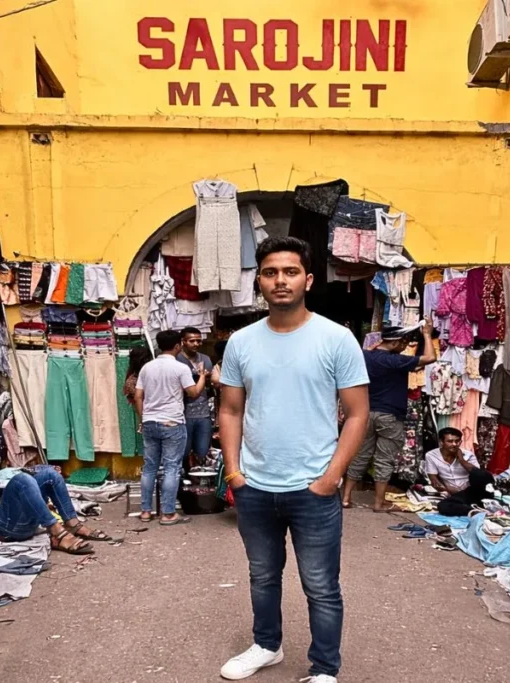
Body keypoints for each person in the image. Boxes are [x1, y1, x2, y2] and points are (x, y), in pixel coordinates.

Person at [218, 236, 369, 683]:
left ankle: (325, 670)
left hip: (313, 489)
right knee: (262, 576)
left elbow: (358, 414)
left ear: (308, 279)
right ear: (259, 281)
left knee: (321, 586)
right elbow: (229, 409)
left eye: (289, 271)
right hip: (256, 487)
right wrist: (234, 471)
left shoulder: (336, 339)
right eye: (269, 272)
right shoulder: (241, 342)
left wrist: (331, 478)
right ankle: (267, 646)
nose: (279, 280)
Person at [342, 320, 435, 511]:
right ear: (394, 342)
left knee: (360, 455)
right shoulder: (396, 361)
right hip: (390, 416)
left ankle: (345, 498)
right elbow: (430, 358)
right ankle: (378, 503)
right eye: (402, 343)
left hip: (365, 414)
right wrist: (427, 334)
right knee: (384, 459)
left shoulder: (365, 356)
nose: (404, 347)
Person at [134, 329, 206, 525]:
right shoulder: (180, 368)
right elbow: (192, 393)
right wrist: (202, 378)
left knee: (149, 468)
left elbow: (138, 397)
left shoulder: (146, 368)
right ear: (178, 346)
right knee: (171, 468)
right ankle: (168, 513)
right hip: (172, 423)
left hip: (150, 422)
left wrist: (144, 418)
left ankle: (146, 511)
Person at [0, 465, 111, 554]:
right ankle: (57, 532)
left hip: (21, 518)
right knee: (22, 480)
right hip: (3, 528)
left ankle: (73, 524)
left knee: (50, 474)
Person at [177, 326, 214, 470]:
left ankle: (200, 484)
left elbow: (210, 382)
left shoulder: (205, 359)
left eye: (199, 341)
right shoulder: (177, 360)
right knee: (183, 452)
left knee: (203, 450)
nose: (196, 344)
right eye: (192, 341)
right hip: (183, 414)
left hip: (203, 412)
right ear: (183, 342)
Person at [425, 427, 480, 495]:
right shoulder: (431, 455)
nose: (454, 444)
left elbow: (478, 474)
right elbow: (434, 480)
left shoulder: (468, 455)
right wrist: (448, 490)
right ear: (441, 442)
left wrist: (462, 460)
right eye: (450, 441)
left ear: (461, 442)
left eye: (457, 441)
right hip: (447, 492)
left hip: (470, 492)